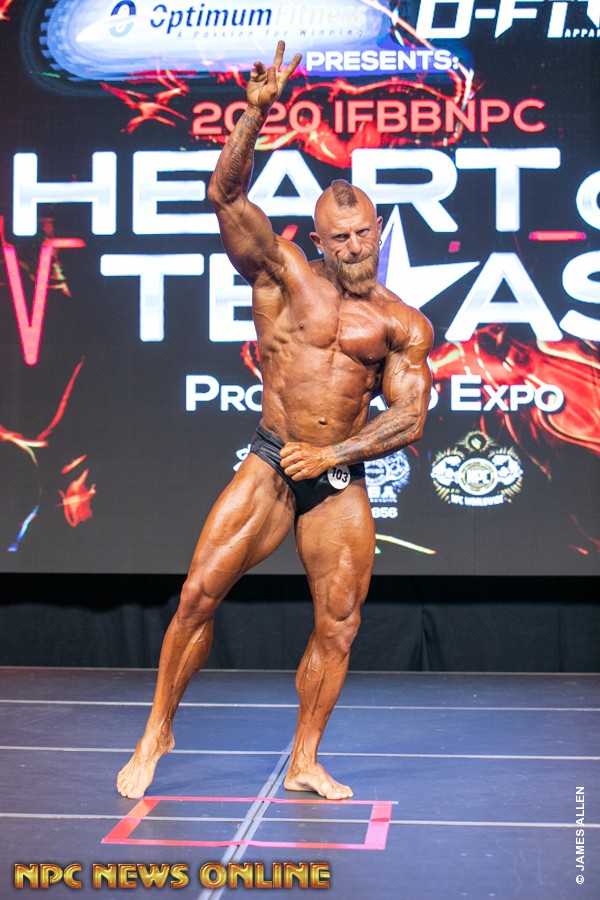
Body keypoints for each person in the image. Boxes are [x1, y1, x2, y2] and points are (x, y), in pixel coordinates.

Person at [117, 41, 433, 802]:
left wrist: (335, 456)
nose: (354, 247)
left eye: (364, 234)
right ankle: (158, 729)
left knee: (340, 624)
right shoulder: (284, 275)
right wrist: (254, 114)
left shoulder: (402, 323)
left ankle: (305, 759)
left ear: (379, 229)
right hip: (271, 462)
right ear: (318, 240)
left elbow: (411, 417)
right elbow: (225, 197)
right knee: (199, 594)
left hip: (336, 476)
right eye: (339, 238)